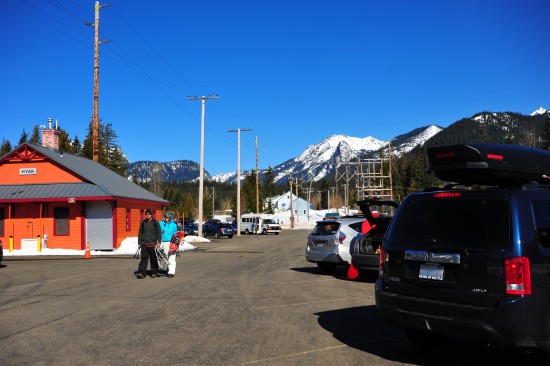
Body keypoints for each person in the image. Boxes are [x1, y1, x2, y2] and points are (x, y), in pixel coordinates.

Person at [136, 208, 161, 279]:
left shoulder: (155, 222)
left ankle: (154, 272)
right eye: (146, 214)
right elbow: (140, 233)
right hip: (144, 244)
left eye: (149, 214)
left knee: (153, 259)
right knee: (144, 258)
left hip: (153, 244)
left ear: (151, 215)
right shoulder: (143, 222)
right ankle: (141, 273)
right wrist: (139, 242)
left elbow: (158, 233)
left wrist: (159, 242)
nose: (147, 215)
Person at [160, 211, 179, 278]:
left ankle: (171, 272)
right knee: (166, 257)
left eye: (167, 218)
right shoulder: (161, 223)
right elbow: (158, 231)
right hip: (164, 242)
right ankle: (168, 268)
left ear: (170, 218)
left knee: (172, 257)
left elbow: (175, 233)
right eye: (165, 217)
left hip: (172, 243)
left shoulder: (173, 225)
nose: (166, 219)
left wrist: (176, 241)